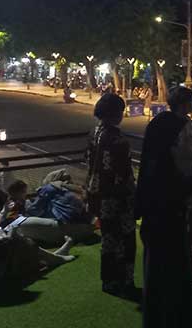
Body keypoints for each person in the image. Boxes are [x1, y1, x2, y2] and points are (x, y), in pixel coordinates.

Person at [135, 86, 192, 328]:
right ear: (187, 104)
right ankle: (176, 315)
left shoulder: (157, 122)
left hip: (151, 202)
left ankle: (155, 315)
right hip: (172, 206)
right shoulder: (184, 127)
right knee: (175, 263)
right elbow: (187, 168)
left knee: (155, 263)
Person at [84, 93, 138, 297]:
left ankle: (108, 281)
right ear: (116, 114)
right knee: (125, 240)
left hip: (98, 193)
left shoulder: (94, 133)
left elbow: (89, 163)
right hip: (118, 198)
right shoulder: (118, 139)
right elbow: (124, 174)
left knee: (108, 240)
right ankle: (125, 281)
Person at [20, 170, 95, 245]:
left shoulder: (51, 187)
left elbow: (34, 210)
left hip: (68, 230)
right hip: (88, 230)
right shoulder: (78, 188)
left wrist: (25, 208)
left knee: (21, 223)